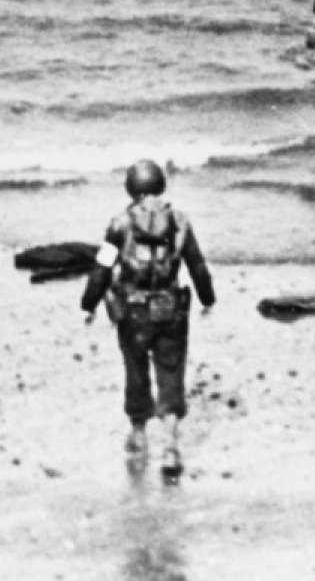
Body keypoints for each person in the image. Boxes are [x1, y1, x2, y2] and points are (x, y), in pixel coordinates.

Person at [79, 160, 217, 479]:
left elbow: (102, 268)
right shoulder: (179, 222)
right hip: (171, 309)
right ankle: (170, 446)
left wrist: (89, 303)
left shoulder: (119, 223)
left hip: (133, 312)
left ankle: (139, 435)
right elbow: (197, 265)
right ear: (161, 186)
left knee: (136, 370)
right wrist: (208, 299)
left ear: (131, 188)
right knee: (171, 371)